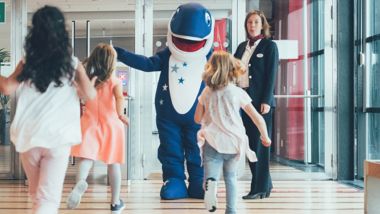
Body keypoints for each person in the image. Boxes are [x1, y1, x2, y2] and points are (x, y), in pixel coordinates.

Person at [0, 6, 97, 214]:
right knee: (47, 200)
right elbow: (90, 95)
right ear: (62, 32)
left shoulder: (28, 62)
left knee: (38, 196)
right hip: (58, 137)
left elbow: (7, 88)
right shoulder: (71, 64)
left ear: (35, 32)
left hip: (29, 135)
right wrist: (81, 86)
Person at [194, 51, 271, 214]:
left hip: (212, 140)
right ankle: (231, 210)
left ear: (211, 69)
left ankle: (211, 184)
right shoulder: (237, 92)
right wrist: (265, 136)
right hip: (234, 142)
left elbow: (196, 118)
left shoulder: (207, 92)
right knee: (230, 178)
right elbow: (257, 117)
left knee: (210, 176)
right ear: (231, 69)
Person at [67, 43, 129, 213]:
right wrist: (121, 114)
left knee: (86, 158)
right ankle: (115, 203)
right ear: (112, 62)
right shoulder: (115, 81)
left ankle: (79, 183)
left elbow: (80, 97)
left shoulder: (89, 80)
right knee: (113, 164)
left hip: (89, 123)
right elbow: (119, 98)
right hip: (111, 124)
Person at [233, 10, 279, 200]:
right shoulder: (242, 46)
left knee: (259, 145)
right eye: (249, 22)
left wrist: (266, 101)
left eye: (256, 22)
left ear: (262, 25)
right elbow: (232, 69)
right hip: (242, 101)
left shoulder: (269, 46)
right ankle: (265, 184)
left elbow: (271, 75)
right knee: (250, 144)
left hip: (260, 104)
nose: (252, 25)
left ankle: (258, 188)